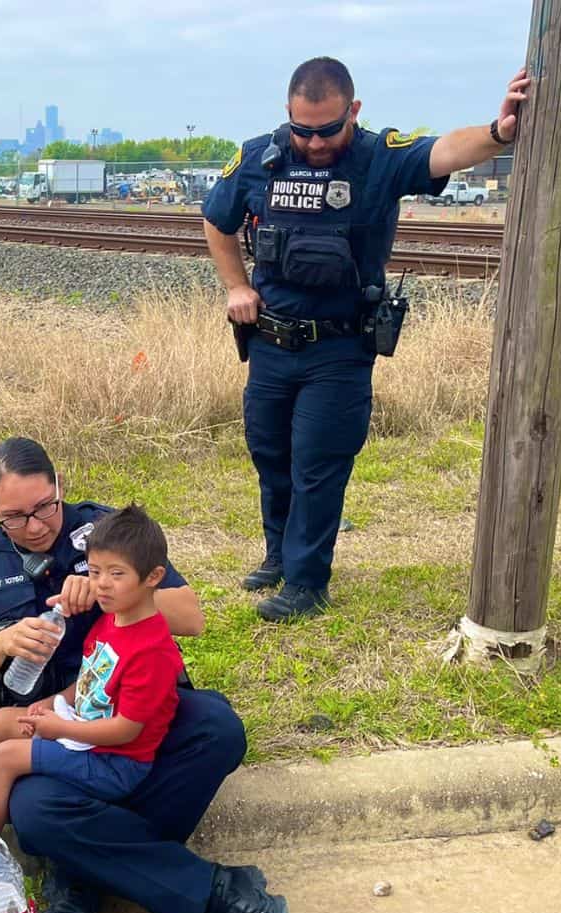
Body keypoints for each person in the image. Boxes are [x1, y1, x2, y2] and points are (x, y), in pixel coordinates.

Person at [0, 437, 288, 913]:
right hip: (49, 733)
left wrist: (104, 593)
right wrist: (2, 643)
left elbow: (192, 616)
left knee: (218, 728)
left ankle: (81, 874)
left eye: (44, 506)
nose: (35, 525)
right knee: (35, 815)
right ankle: (219, 894)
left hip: (128, 716)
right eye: (15, 516)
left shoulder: (104, 534)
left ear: (59, 487)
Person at [202, 57, 530, 622]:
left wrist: (499, 132)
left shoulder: (379, 156)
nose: (314, 142)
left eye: (328, 129)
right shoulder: (260, 157)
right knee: (271, 452)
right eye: (303, 129)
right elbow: (216, 217)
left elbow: (445, 150)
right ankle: (279, 554)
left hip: (339, 349)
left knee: (318, 464)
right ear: (288, 114)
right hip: (271, 345)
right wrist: (235, 285)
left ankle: (307, 585)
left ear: (353, 111)